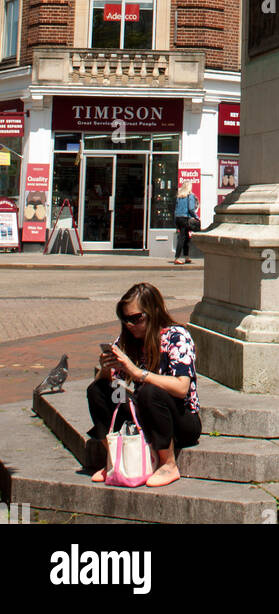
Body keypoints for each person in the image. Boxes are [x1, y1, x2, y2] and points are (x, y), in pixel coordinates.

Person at [87, 282, 201, 488]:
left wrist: (139, 373)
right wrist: (106, 369)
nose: (130, 324)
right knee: (98, 390)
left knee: (150, 391)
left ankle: (168, 464)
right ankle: (115, 459)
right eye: (125, 319)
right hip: (144, 413)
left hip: (182, 419)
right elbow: (115, 386)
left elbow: (182, 388)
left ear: (154, 312)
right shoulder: (127, 339)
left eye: (136, 318)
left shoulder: (177, 337)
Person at [174, 184, 198, 264]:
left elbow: (176, 209)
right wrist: (196, 217)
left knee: (186, 237)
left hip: (178, 218)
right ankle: (177, 258)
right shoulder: (190, 196)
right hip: (185, 218)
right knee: (182, 238)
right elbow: (191, 209)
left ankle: (186, 256)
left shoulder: (179, 196)